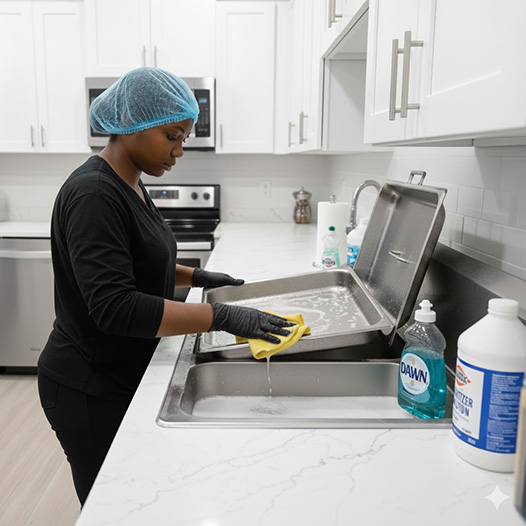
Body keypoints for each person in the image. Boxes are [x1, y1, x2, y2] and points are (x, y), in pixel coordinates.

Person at [37, 67, 293, 506]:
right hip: (88, 385)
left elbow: (135, 258)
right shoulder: (94, 194)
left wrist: (196, 276)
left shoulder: (129, 182)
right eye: (172, 136)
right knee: (113, 506)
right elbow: (115, 306)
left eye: (184, 138)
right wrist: (221, 316)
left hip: (118, 370)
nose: (179, 150)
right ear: (130, 125)